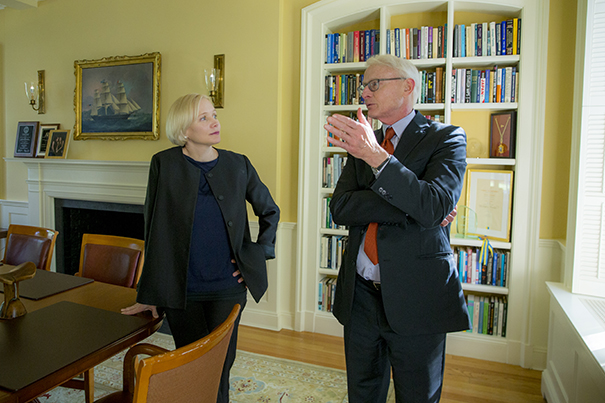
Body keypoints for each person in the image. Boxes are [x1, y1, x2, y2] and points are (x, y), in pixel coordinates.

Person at [324, 54, 470, 403]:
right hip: (359, 296)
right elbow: (341, 208)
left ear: (408, 86)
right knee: (362, 393)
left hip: (417, 297)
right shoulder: (363, 141)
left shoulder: (446, 138)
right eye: (363, 86)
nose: (365, 92)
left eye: (374, 84)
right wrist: (410, 206)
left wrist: (378, 160)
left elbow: (435, 206)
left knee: (418, 395)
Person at [122, 94, 280, 403]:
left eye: (214, 114)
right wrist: (150, 292)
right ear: (183, 130)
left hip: (227, 287)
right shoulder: (163, 164)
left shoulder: (239, 164)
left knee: (219, 367)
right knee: (189, 366)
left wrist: (259, 253)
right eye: (203, 118)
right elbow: (153, 228)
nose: (214, 122)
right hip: (183, 291)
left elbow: (269, 211)